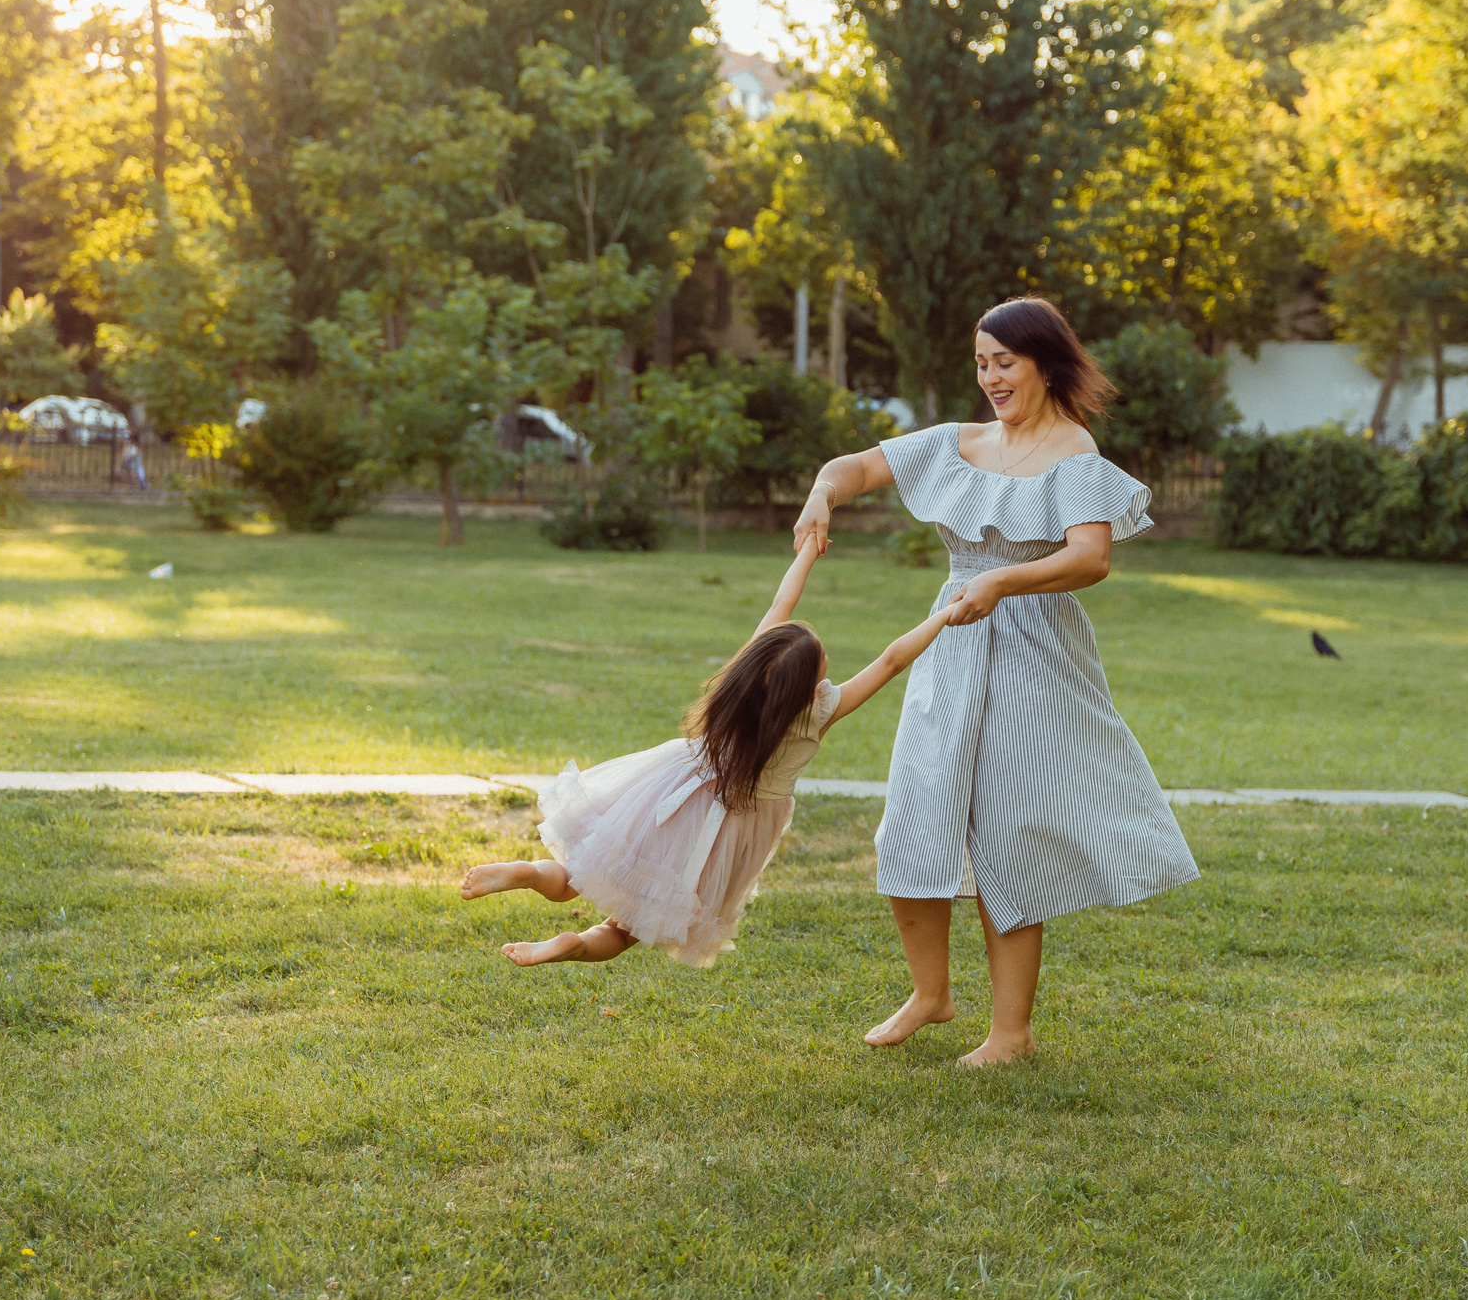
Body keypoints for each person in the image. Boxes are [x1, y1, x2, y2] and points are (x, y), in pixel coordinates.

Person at [791, 295, 1200, 1068]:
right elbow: (858, 467)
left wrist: (1004, 582)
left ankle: (1010, 1034)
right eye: (981, 363)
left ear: (1045, 361)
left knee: (1009, 831)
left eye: (1004, 361)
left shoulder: (1073, 453)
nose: (990, 378)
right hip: (950, 645)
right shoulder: (959, 442)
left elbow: (1090, 557)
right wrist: (823, 492)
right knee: (915, 811)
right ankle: (931, 993)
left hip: (1034, 652)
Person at [461, 535, 959, 969]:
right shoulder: (818, 710)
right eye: (823, 661)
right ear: (805, 685)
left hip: (672, 789)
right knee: (629, 927)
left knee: (580, 870)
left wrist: (808, 551)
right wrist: (945, 613)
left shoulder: (739, 685)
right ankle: (575, 943)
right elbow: (892, 660)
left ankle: (531, 873)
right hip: (734, 827)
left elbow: (780, 603)